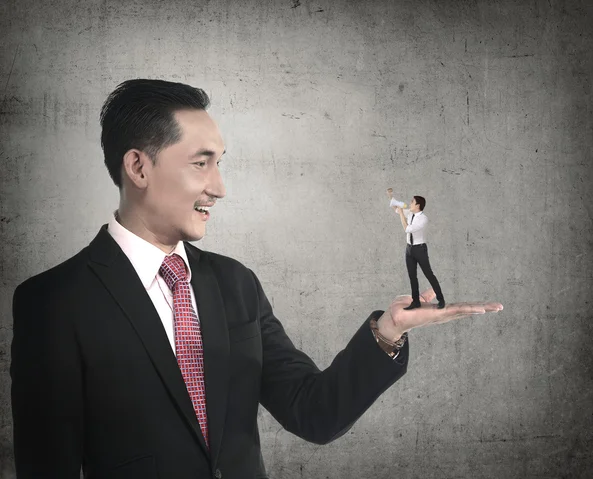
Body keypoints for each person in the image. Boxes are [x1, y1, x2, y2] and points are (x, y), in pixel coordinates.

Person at [10, 79, 502, 479]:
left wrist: (387, 332)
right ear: (138, 166)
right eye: (201, 163)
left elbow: (315, 412)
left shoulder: (236, 284)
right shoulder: (55, 303)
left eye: (219, 163)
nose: (219, 187)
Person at [387, 188, 445, 310]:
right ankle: (415, 301)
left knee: (429, 274)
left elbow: (407, 229)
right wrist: (391, 196)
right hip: (409, 249)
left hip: (420, 250)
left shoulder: (423, 218)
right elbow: (396, 209)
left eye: (412, 202)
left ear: (418, 205)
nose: (410, 203)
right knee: (412, 276)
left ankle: (441, 299)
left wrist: (402, 213)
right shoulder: (411, 214)